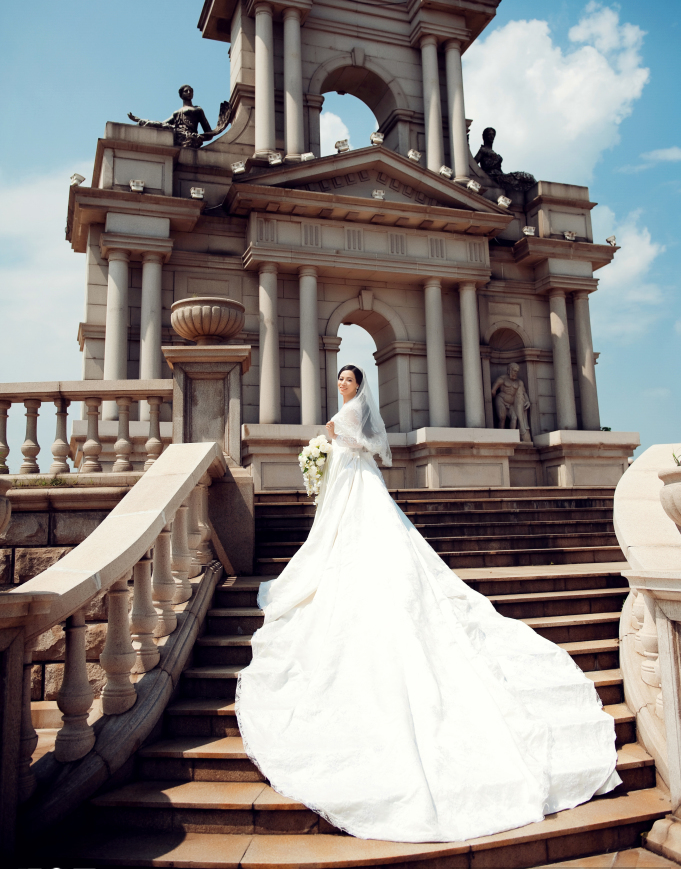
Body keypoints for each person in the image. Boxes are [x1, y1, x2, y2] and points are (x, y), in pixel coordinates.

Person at [235, 365, 620, 843]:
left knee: (374, 543)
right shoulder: (352, 409)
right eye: (340, 379)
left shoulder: (354, 413)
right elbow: (368, 447)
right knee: (348, 540)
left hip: (358, 480)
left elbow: (368, 445)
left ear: (360, 385)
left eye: (349, 380)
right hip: (350, 483)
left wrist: (334, 439)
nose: (343, 384)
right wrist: (330, 447)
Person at [492, 361, 532, 441]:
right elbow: (493, 391)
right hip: (501, 400)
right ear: (509, 370)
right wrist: (495, 401)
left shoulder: (519, 382)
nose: (515, 373)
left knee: (514, 417)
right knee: (502, 417)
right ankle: (501, 438)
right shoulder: (502, 379)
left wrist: (527, 401)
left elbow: (523, 393)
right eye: (514, 370)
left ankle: (512, 438)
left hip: (511, 404)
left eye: (517, 371)